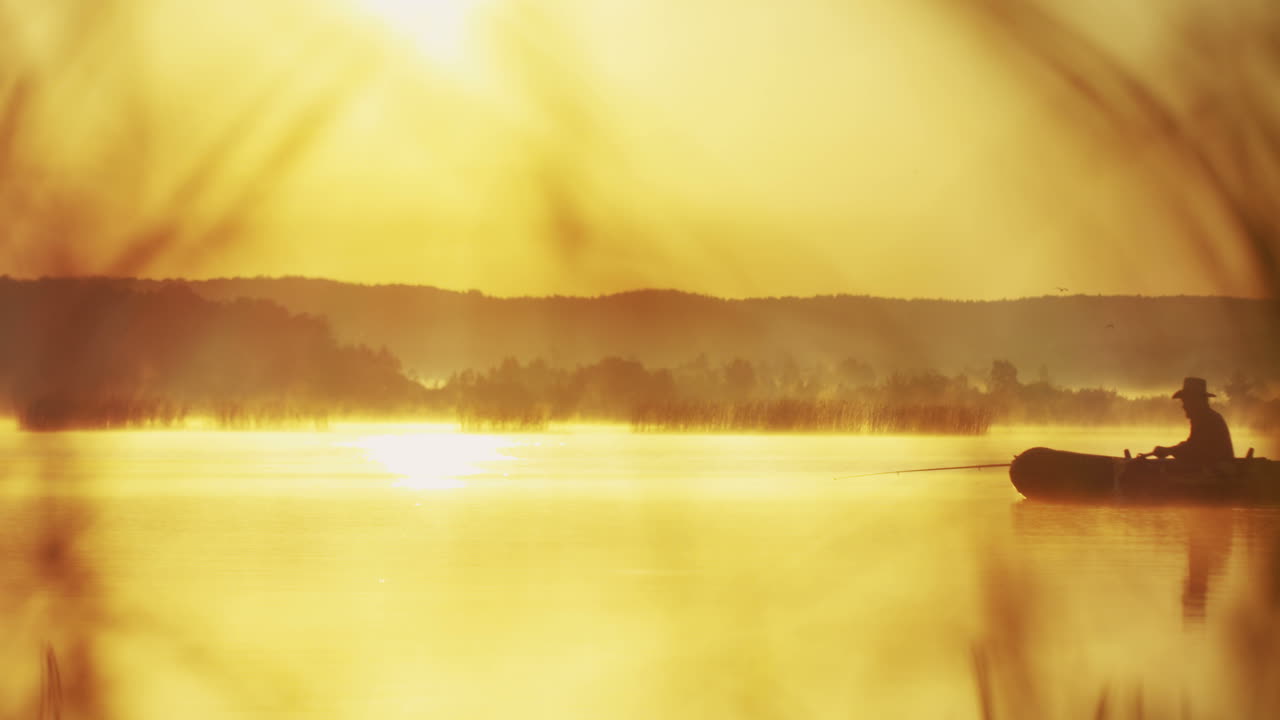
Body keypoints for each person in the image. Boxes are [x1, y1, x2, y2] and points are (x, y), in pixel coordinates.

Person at [1149, 377, 1234, 463]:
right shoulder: (1206, 417)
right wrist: (1172, 449)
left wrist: (1169, 450)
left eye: (1186, 401)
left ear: (1196, 401)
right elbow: (1193, 445)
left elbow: (1194, 450)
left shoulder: (1207, 420)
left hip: (1218, 473)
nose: (1183, 406)